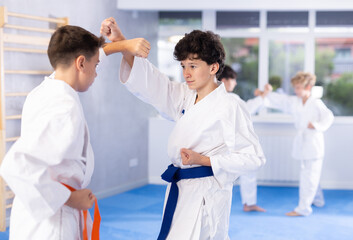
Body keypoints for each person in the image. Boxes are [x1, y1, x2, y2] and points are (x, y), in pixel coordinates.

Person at [100, 17, 266, 239]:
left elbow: (254, 157)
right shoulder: (185, 95)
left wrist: (204, 160)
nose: (186, 73)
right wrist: (122, 43)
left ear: (213, 68)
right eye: (183, 66)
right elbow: (152, 83)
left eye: (193, 66)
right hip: (181, 189)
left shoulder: (231, 105)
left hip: (207, 192)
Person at [0, 25, 148, 240]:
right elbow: (17, 166)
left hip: (38, 213)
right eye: (95, 66)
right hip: (54, 222)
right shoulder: (63, 107)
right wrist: (69, 198)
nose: (96, 73)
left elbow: (82, 57)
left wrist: (120, 46)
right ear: (80, 63)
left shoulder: (45, 89)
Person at [259, 72, 334, 216]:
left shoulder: (316, 102)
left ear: (309, 87)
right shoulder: (296, 101)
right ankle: (318, 200)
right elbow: (282, 101)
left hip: (314, 143)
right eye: (295, 87)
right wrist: (266, 93)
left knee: (310, 176)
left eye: (299, 87)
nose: (296, 91)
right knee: (310, 174)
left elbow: (329, 117)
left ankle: (303, 209)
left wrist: (317, 125)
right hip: (303, 142)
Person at [218, 65, 267, 212]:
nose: (235, 83)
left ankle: (249, 203)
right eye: (233, 80)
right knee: (246, 169)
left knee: (242, 171)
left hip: (227, 141)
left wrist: (261, 97)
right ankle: (248, 203)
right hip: (231, 142)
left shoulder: (215, 97)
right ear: (225, 80)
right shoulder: (230, 98)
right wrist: (263, 96)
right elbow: (248, 109)